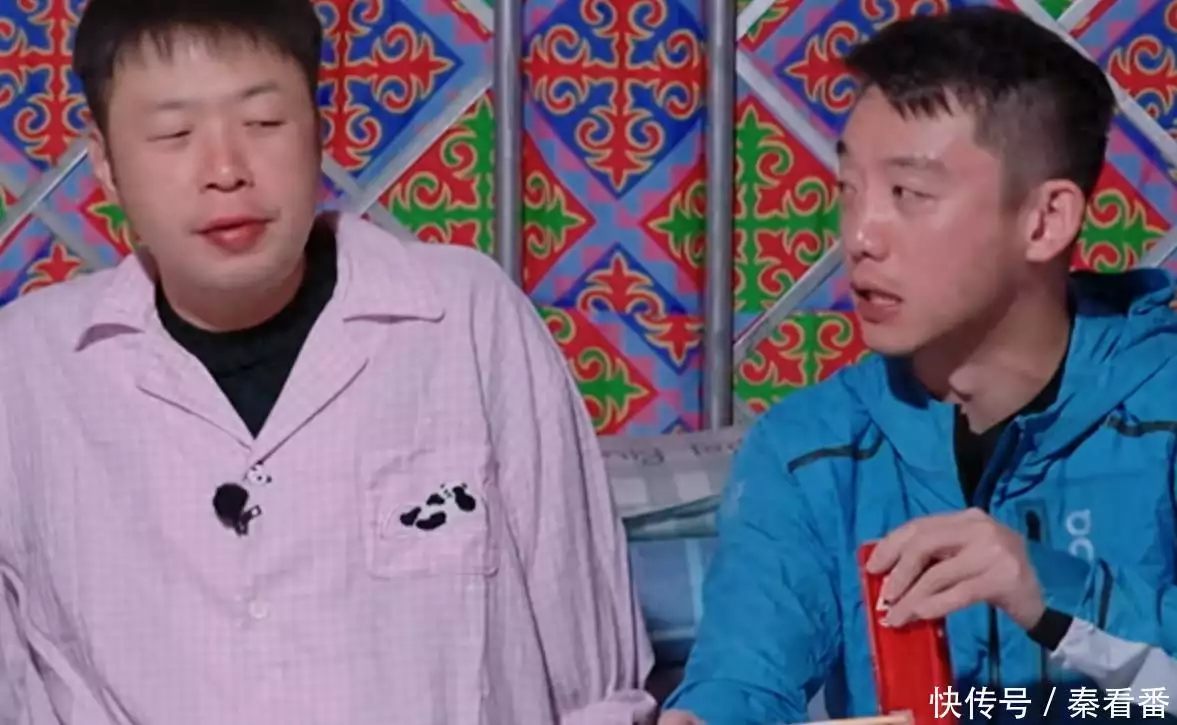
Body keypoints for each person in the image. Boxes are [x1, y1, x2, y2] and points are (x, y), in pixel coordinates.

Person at [0, 1, 655, 723]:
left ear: (319, 128)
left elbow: (596, 686)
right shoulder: (28, 369)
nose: (225, 170)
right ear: (105, 163)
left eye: (263, 122)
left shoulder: (464, 316)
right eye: (174, 134)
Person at [660, 7, 1177, 725]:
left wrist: (1051, 590)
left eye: (908, 194)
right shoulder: (811, 452)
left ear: (1044, 220)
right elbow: (742, 681)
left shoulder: (1160, 414)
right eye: (848, 189)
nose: (859, 236)